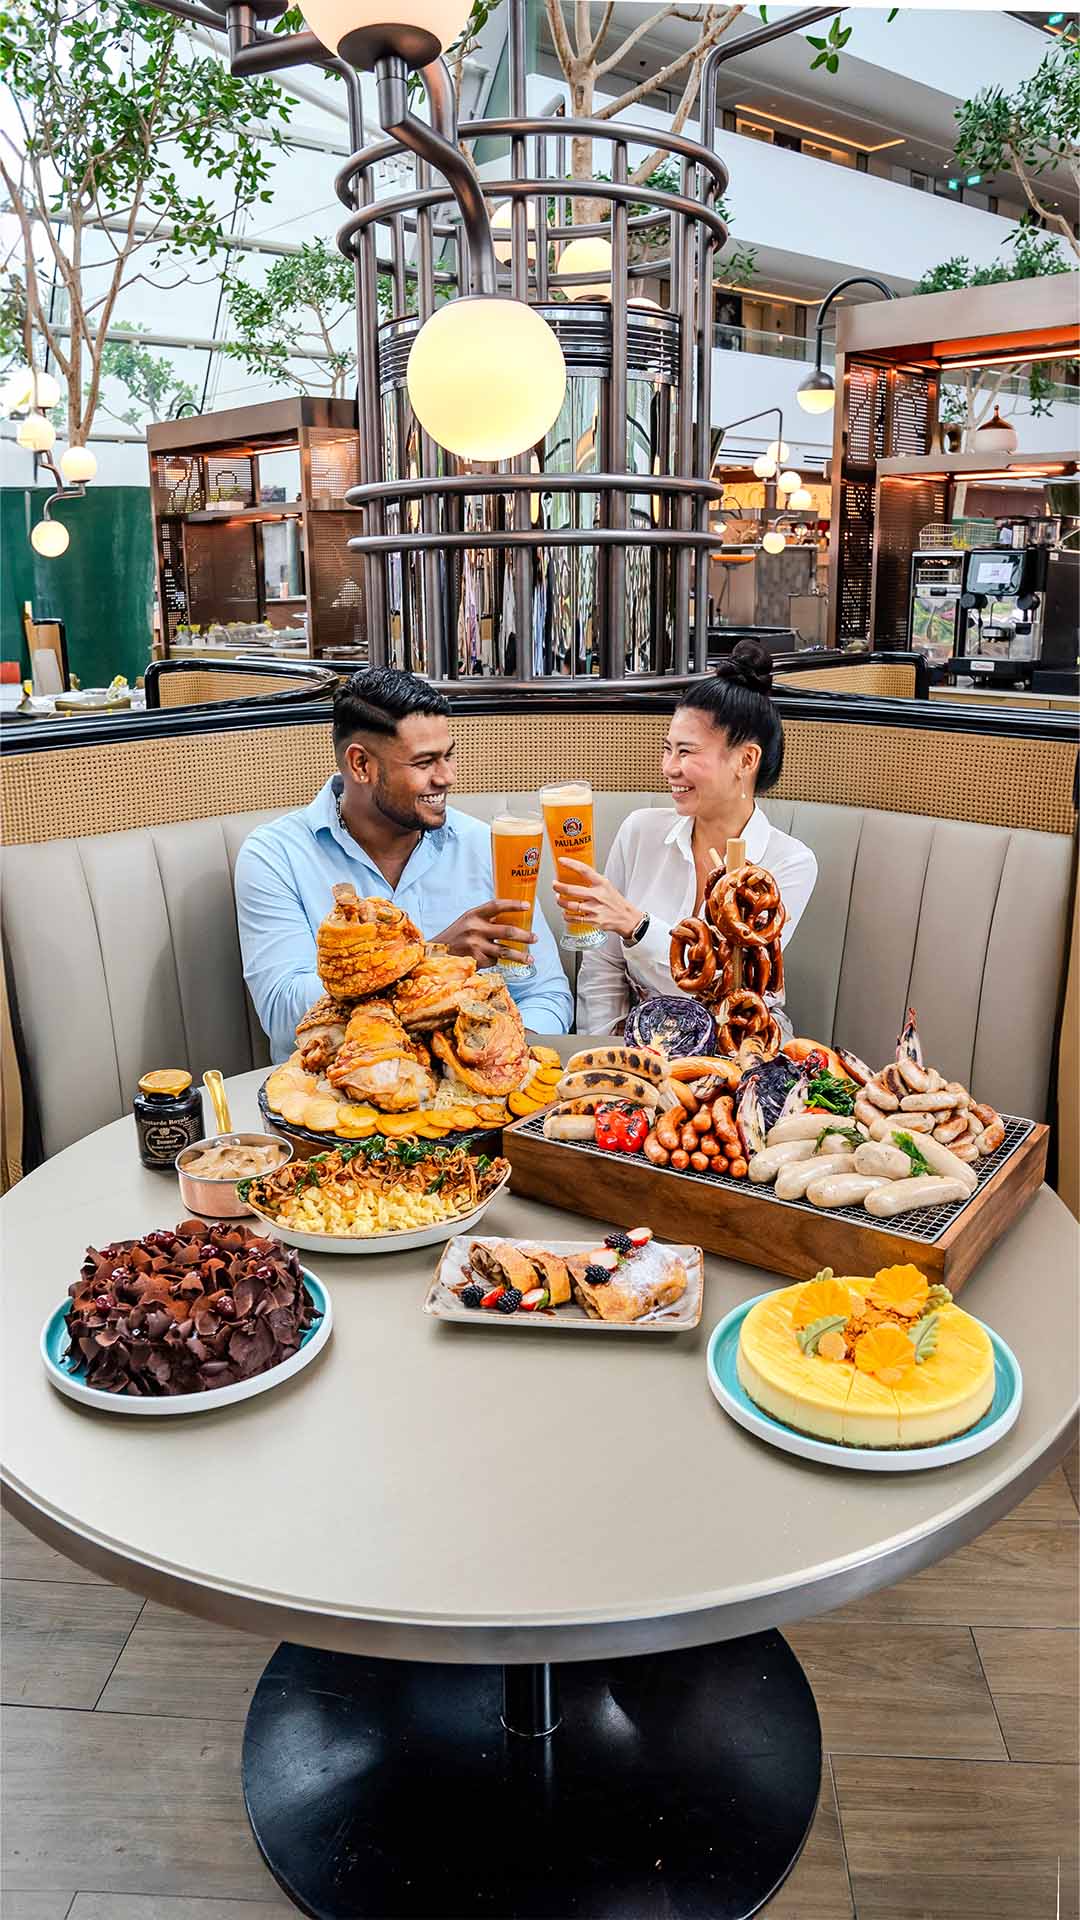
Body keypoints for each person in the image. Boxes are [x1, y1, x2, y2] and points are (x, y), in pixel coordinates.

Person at [235, 668, 572, 1060]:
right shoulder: (276, 856)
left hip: (473, 1100)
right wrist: (429, 958)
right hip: (331, 1097)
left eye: (448, 756)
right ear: (361, 765)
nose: (446, 777)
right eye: (424, 762)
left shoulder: (486, 846)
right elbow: (281, 1011)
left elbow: (546, 994)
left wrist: (497, 1055)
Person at [568, 641, 817, 1035]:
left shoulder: (789, 863)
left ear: (746, 760)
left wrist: (640, 928)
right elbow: (603, 966)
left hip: (739, 1044)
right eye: (668, 750)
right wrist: (602, 1053)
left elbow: (729, 989)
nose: (669, 768)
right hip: (640, 1042)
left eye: (686, 752)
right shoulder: (639, 832)